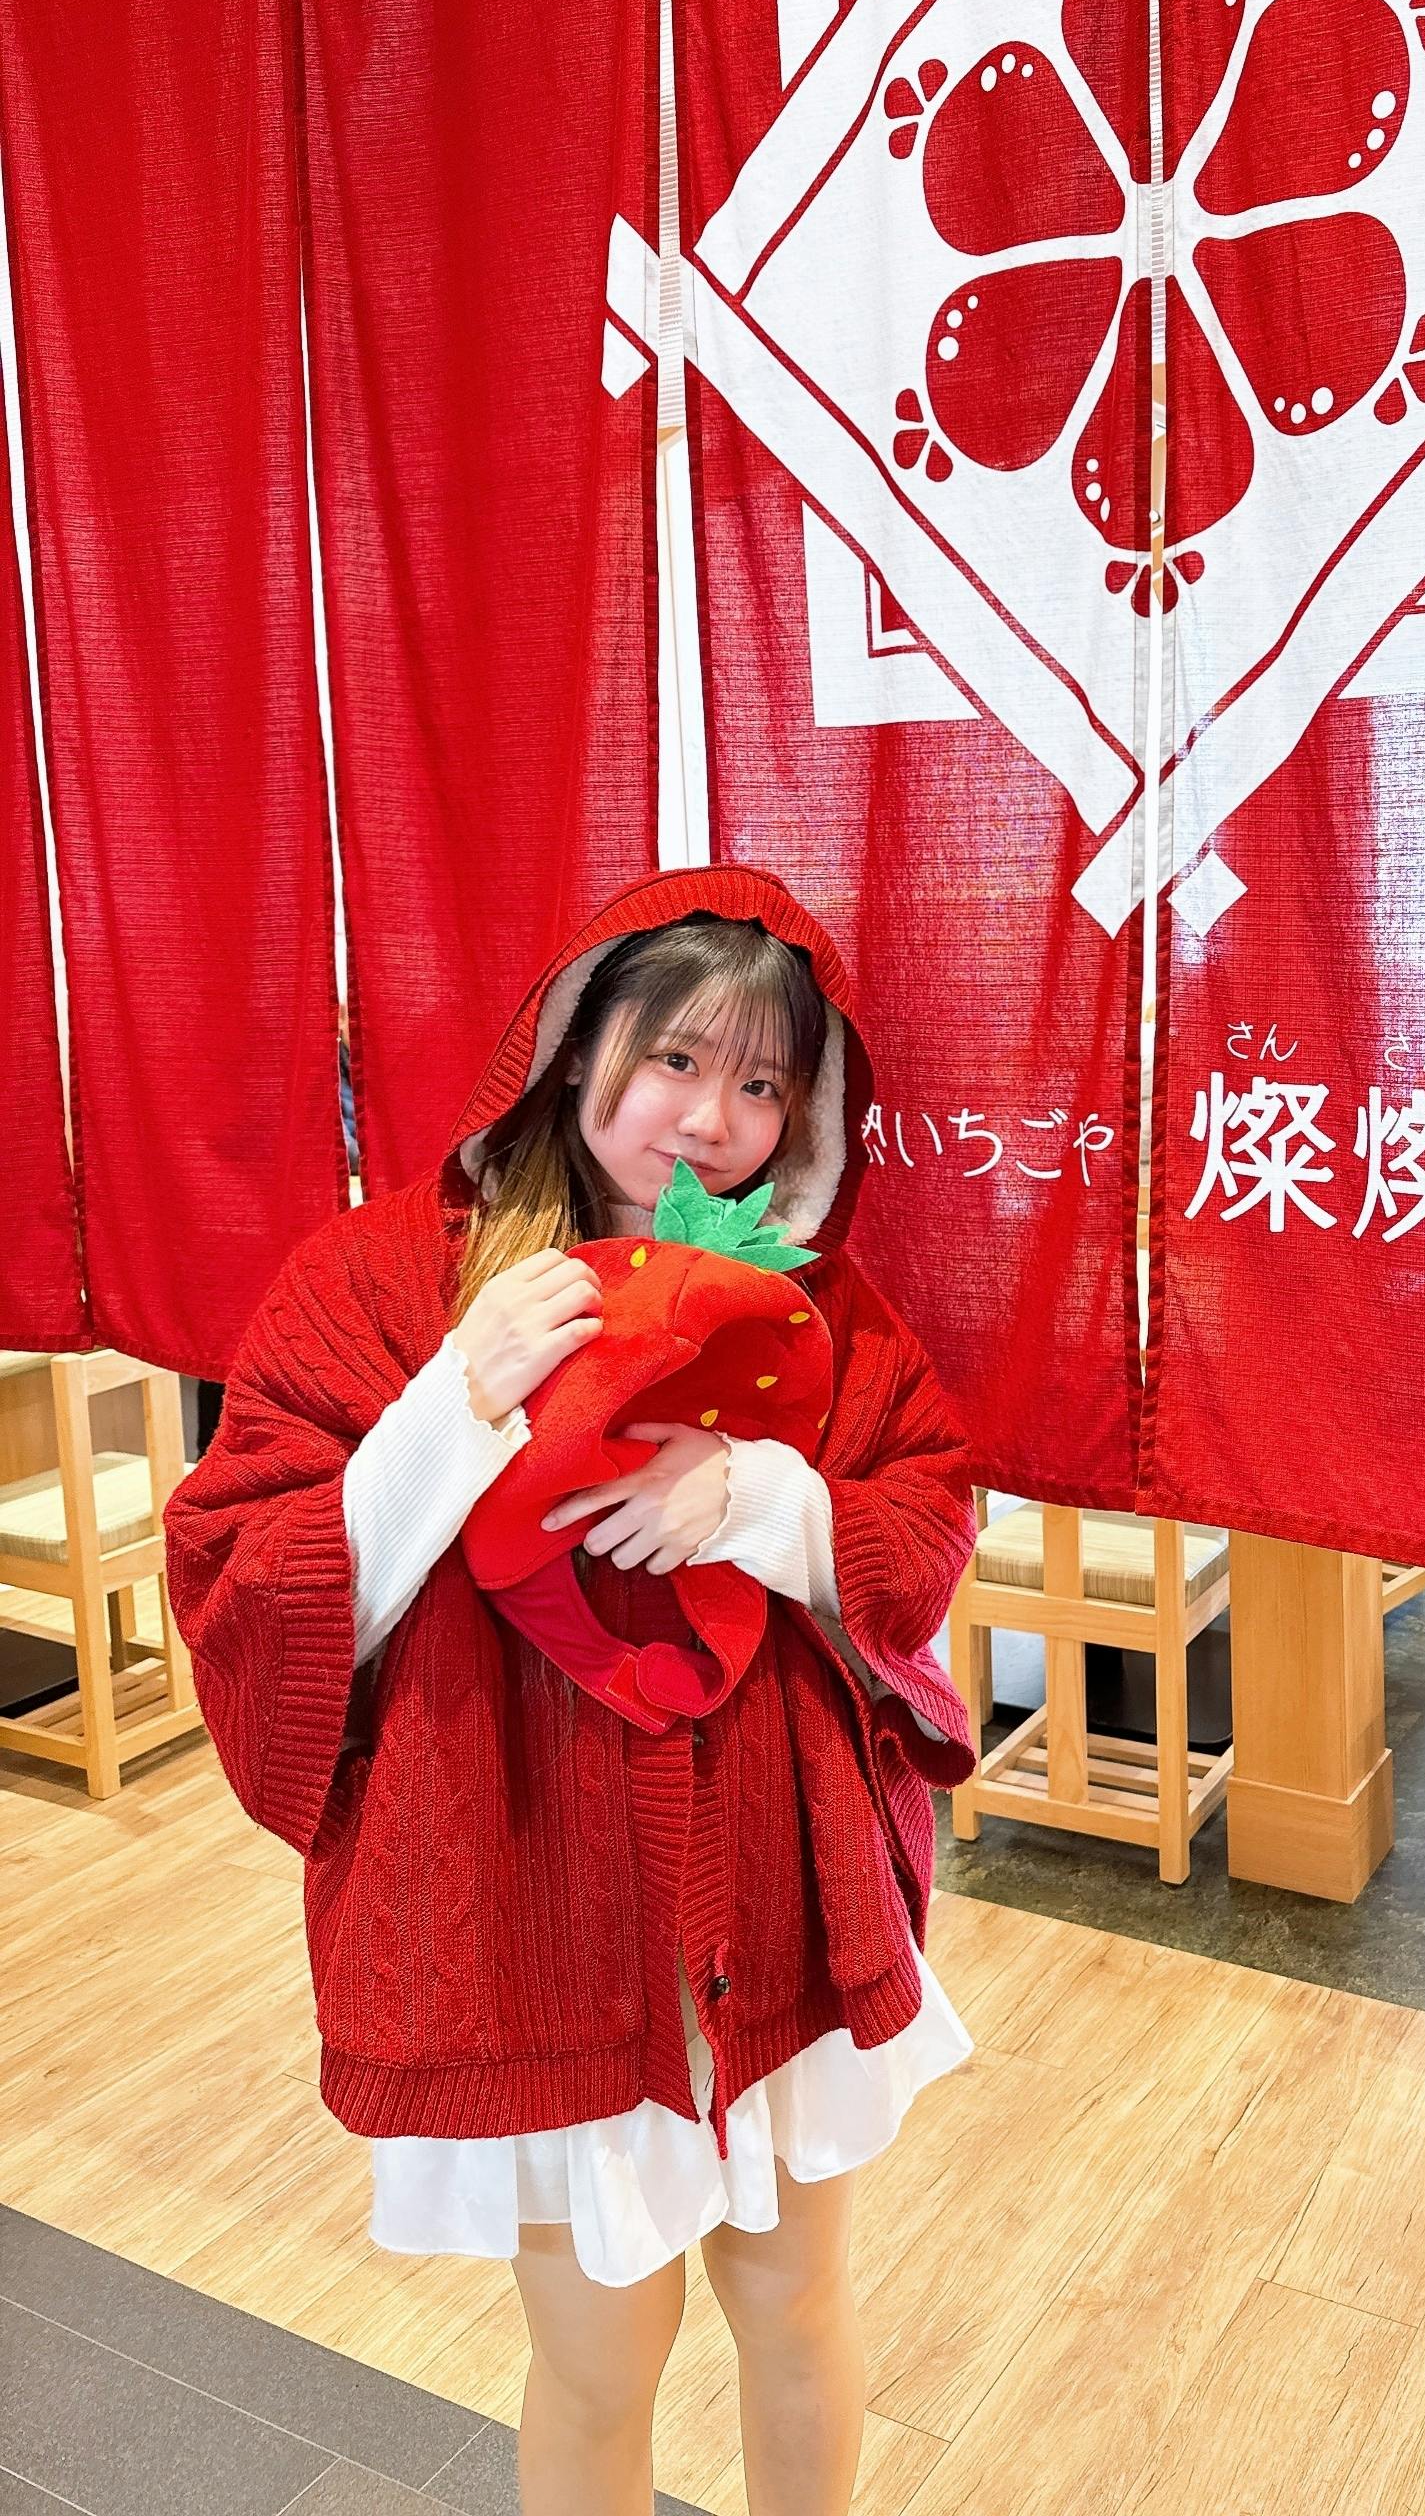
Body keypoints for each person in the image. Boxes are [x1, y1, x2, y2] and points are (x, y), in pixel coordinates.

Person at [163, 866, 983, 2516]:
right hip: (531, 1888)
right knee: (601, 2353)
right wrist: (450, 1407)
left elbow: (924, 1513)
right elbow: (243, 1573)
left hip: (776, 1877)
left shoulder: (813, 1298)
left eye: (764, 1085)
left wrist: (759, 1501)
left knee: (797, 2306)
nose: (713, 1122)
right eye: (676, 1059)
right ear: (576, 1041)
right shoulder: (387, 1280)